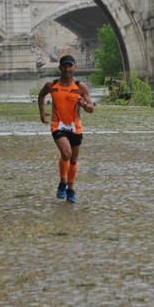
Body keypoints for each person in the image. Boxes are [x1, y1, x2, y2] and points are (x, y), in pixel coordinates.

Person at [38, 54, 93, 203]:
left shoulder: (80, 87)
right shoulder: (52, 86)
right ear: (60, 68)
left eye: (70, 66)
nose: (67, 69)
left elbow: (91, 108)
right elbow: (41, 95)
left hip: (75, 126)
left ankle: (70, 188)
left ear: (75, 67)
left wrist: (84, 105)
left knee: (74, 160)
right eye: (65, 66)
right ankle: (63, 181)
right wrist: (42, 113)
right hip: (58, 125)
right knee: (67, 154)